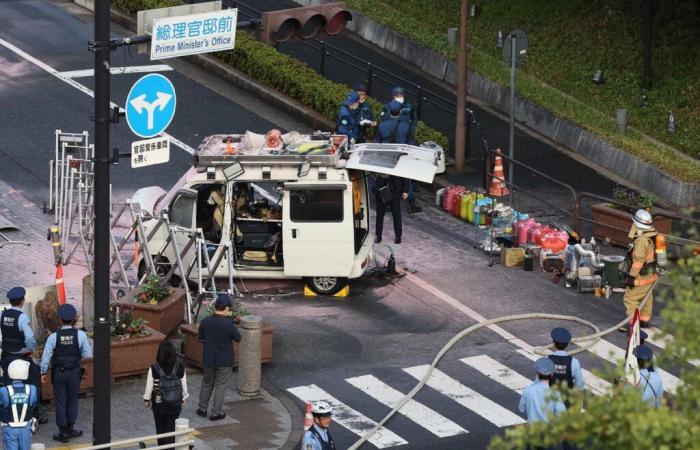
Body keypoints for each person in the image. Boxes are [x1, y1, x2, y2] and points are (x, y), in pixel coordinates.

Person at [40, 304, 92, 443]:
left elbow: (46, 357)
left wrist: (43, 372)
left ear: (60, 319)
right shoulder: (80, 335)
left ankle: (62, 432)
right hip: (74, 373)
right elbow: (87, 354)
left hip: (59, 373)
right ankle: (71, 428)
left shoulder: (53, 337)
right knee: (73, 400)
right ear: (74, 319)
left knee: (61, 401)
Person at [196, 294, 241, 421]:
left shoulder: (205, 321)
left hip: (208, 358)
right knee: (220, 386)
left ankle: (202, 409)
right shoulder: (228, 325)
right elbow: (238, 338)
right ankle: (215, 413)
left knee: (206, 383)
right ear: (226, 308)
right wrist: (235, 323)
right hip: (224, 360)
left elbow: (200, 338)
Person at [143, 341, 188, 447]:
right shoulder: (180, 367)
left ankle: (162, 447)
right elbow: (184, 385)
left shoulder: (154, 368)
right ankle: (171, 447)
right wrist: (184, 398)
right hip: (175, 403)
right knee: (171, 428)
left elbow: (149, 386)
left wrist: (146, 399)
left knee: (160, 428)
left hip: (159, 404)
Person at [620, 209, 658, 331]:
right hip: (650, 274)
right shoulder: (651, 236)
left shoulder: (641, 241)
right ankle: (644, 321)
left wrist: (631, 277)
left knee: (630, 298)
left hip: (640, 276)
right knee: (646, 297)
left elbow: (638, 262)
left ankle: (634, 324)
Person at [1, 287, 36, 385]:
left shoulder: (2, 314)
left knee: (8, 383)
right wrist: (32, 350)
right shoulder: (22, 317)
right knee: (27, 383)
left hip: (6, 355)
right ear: (22, 301)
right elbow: (29, 338)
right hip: (21, 356)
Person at [0, 359, 38, 450]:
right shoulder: (32, 389)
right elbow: (33, 404)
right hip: (25, 427)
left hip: (9, 428)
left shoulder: (3, 390)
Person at [519, 357, 566, 423]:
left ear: (537, 374)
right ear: (551, 375)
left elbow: (522, 409)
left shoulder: (527, 390)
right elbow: (561, 414)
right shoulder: (555, 394)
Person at [373, 173, 408, 245]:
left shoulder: (399, 162)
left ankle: (398, 236)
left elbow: (405, 175)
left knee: (396, 214)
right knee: (379, 215)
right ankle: (378, 236)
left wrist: (405, 190)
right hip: (381, 189)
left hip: (394, 190)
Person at [548, 327, 584, 392]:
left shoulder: (546, 360)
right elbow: (580, 386)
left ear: (553, 343)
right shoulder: (574, 362)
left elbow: (539, 383)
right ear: (567, 344)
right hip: (567, 399)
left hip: (549, 399)